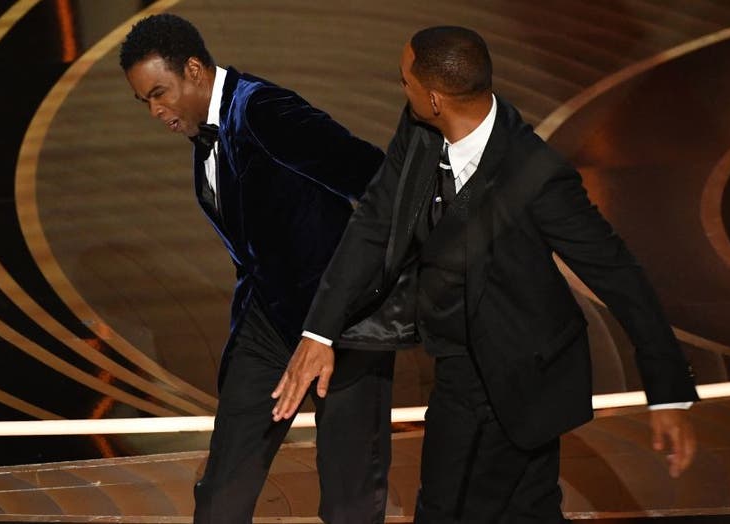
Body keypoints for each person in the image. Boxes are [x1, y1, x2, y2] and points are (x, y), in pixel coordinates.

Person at [272, 26, 699, 523]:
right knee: (498, 510)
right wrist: (318, 331)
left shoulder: (537, 175)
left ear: (434, 98)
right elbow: (373, 222)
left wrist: (667, 391)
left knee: (472, 511)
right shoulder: (418, 129)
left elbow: (617, 273)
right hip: (459, 361)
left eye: (405, 81)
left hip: (522, 368)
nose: (401, 88)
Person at [119, 14, 397, 524]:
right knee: (223, 491)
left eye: (160, 93)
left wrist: (338, 318)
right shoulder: (206, 135)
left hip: (344, 323)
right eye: (146, 102)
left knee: (349, 499)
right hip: (268, 322)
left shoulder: (264, 112)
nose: (155, 111)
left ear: (196, 71)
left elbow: (375, 180)